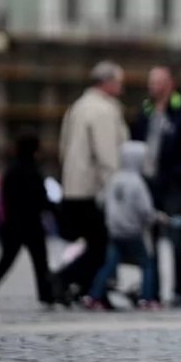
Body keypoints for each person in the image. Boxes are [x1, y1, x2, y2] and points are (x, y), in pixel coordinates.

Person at [52, 61, 129, 304]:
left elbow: (63, 147)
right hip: (94, 189)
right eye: (118, 82)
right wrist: (117, 187)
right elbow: (107, 155)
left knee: (94, 245)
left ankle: (86, 288)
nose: (121, 87)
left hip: (74, 186)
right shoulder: (103, 110)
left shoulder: (77, 107)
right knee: (101, 247)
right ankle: (64, 279)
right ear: (106, 83)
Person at [130, 66, 181, 308]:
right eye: (151, 81)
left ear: (170, 83)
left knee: (177, 238)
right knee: (150, 239)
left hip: (174, 186)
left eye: (159, 81)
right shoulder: (145, 110)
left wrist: (177, 177)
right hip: (148, 184)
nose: (154, 86)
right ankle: (152, 290)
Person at [0, 132, 54, 312]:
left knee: (5, 261)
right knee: (40, 262)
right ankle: (47, 297)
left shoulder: (10, 169)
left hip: (11, 223)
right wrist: (55, 208)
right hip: (32, 224)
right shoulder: (33, 170)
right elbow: (41, 198)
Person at [85, 141, 161, 311]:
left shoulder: (114, 179)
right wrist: (154, 218)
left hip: (115, 231)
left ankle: (94, 296)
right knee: (147, 264)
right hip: (133, 232)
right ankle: (147, 298)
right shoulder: (137, 183)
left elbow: (101, 200)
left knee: (109, 264)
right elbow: (145, 209)